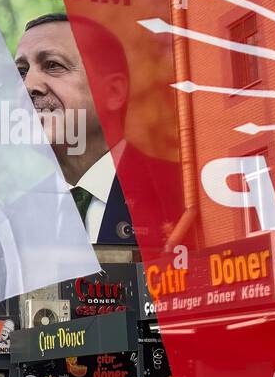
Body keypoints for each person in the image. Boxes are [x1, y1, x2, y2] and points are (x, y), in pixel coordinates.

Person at [13, 13, 181, 246]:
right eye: (21, 71)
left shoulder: (179, 194)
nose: (28, 85)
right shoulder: (12, 221)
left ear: (114, 92)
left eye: (52, 65)